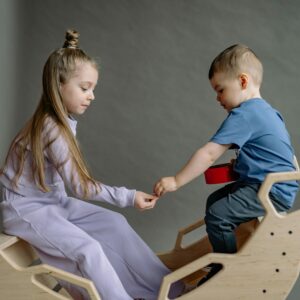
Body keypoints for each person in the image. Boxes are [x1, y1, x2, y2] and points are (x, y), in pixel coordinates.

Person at [0, 29, 183, 300]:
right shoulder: (52, 129)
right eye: (85, 88)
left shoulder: (62, 124)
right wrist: (129, 196)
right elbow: (81, 187)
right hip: (24, 209)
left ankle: (171, 289)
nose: (92, 96)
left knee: (115, 223)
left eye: (93, 89)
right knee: (88, 249)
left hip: (52, 202)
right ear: (58, 85)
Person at [153, 44, 299, 284]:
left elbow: (209, 153)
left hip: (270, 190)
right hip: (273, 184)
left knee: (218, 214)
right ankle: (230, 256)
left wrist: (176, 180)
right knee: (215, 202)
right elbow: (269, 154)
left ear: (243, 81)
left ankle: (226, 270)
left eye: (220, 90)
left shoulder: (245, 114)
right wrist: (243, 163)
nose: (217, 98)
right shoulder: (268, 112)